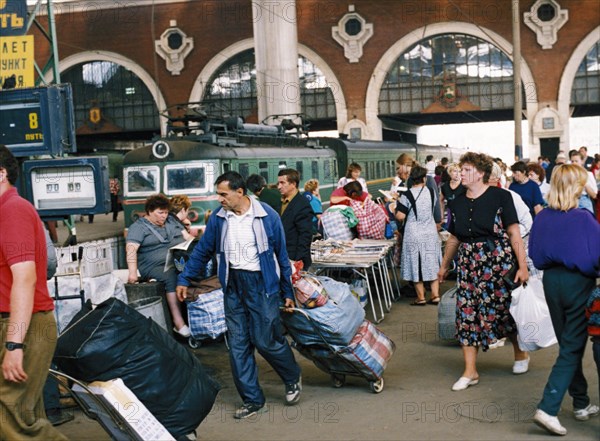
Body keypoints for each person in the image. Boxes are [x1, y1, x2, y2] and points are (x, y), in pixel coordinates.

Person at [175, 171, 302, 419]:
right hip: (233, 284)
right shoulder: (219, 219)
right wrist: (184, 278)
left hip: (261, 284)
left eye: (223, 194)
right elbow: (203, 250)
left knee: (266, 340)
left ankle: (291, 375)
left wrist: (287, 291)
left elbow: (281, 256)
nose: (219, 199)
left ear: (240, 192)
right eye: (218, 194)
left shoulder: (267, 216)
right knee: (238, 344)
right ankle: (253, 400)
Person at [437, 152, 530, 391]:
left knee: (504, 310)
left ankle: (520, 353)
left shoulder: (501, 197)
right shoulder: (456, 201)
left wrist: (522, 266)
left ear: (480, 173)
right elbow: (455, 236)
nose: (461, 173)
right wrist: (444, 265)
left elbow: (513, 233)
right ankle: (470, 371)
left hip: (497, 262)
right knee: (466, 314)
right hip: (468, 265)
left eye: (467, 169)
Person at [0, 145, 68, 440]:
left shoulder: (12, 211)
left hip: (24, 326)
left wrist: (14, 345)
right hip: (19, 323)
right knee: (25, 416)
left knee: (12, 421)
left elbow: (25, 280)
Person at [529, 164, 600, 436]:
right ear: (574, 186)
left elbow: (535, 253)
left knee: (569, 345)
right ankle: (548, 408)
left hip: (551, 283)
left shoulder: (543, 217)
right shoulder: (583, 218)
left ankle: (581, 404)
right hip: (577, 284)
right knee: (572, 347)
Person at [126, 194, 190, 337]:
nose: (164, 216)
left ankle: (192, 317)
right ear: (149, 211)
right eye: (160, 213)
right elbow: (131, 249)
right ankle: (178, 322)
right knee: (171, 276)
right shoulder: (138, 227)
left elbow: (188, 238)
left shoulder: (171, 222)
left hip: (177, 260)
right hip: (153, 266)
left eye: (166, 212)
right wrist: (132, 273)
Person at [394, 165, 441, 305]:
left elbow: (401, 216)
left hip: (413, 233)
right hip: (430, 232)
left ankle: (420, 297)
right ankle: (435, 295)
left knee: (415, 263)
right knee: (431, 261)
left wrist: (395, 209)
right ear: (424, 178)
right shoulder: (432, 192)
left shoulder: (407, 195)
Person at [277, 169, 314, 271]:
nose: (279, 187)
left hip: (295, 260)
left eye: (282, 183)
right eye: (278, 183)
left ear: (293, 184)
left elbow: (305, 235)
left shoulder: (302, 204)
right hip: (283, 258)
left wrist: (298, 261)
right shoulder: (280, 202)